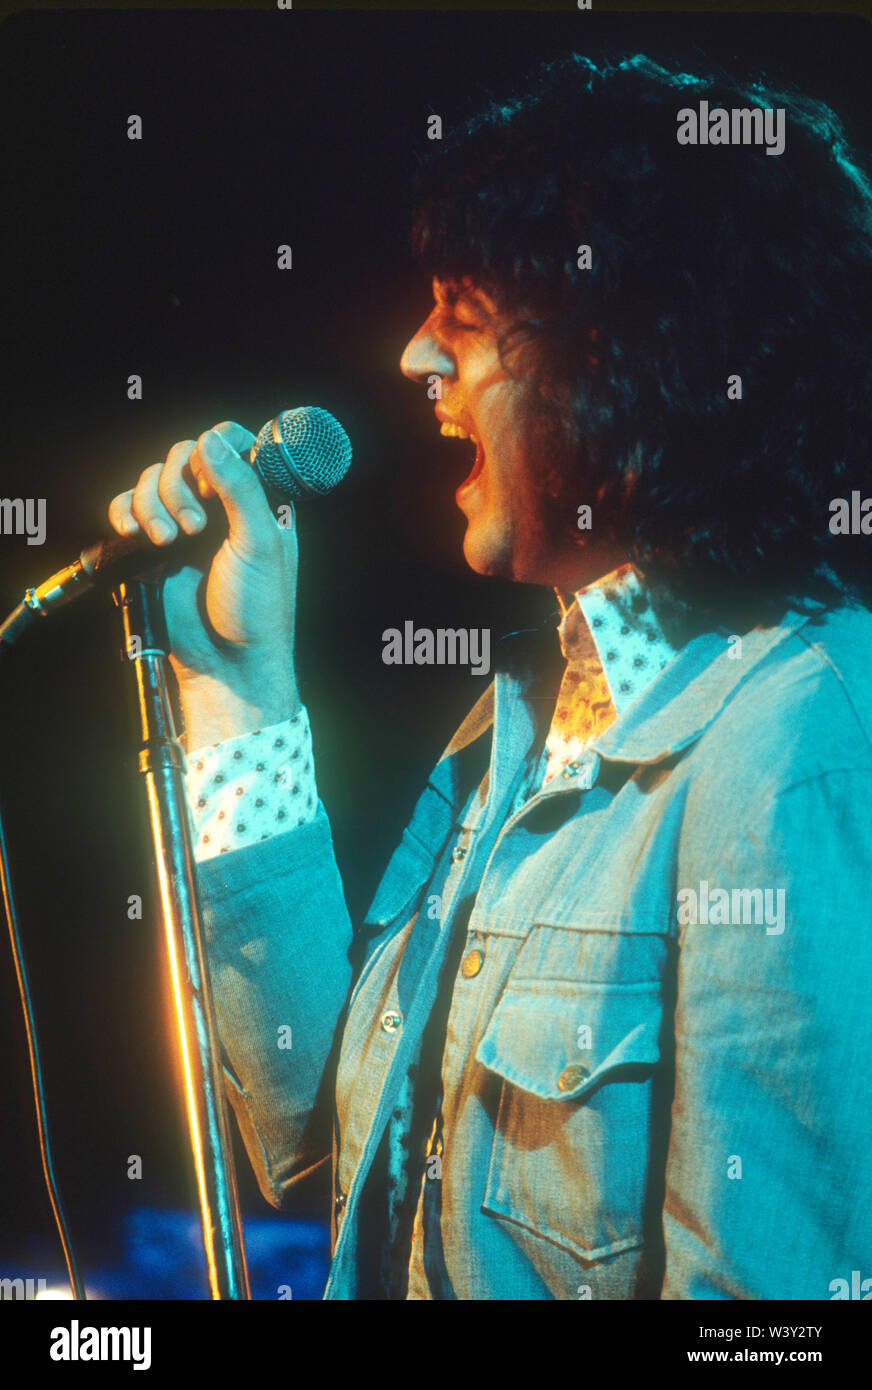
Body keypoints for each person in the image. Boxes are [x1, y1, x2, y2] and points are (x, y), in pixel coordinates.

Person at [107, 53, 872, 1300]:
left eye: (465, 316)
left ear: (635, 344)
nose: (415, 355)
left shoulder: (797, 742)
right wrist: (237, 692)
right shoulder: (516, 713)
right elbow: (319, 1152)